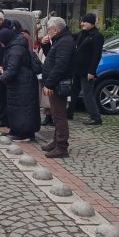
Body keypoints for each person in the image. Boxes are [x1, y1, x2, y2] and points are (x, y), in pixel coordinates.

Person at [0, 28, 40, 141]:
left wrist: (0, 80)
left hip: (22, 84)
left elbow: (13, 69)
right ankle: (17, 130)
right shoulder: (15, 46)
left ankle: (24, 133)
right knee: (18, 108)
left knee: (22, 109)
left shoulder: (15, 49)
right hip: (20, 82)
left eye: (0, 40)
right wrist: (4, 69)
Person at [40, 16, 75, 158]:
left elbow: (60, 65)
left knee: (59, 115)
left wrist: (49, 83)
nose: (47, 32)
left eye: (48, 30)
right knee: (55, 113)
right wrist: (45, 45)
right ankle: (56, 142)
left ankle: (61, 146)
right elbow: (51, 57)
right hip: (55, 81)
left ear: (54, 30)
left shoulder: (65, 42)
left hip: (58, 83)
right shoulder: (60, 40)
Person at [67, 13, 104, 125]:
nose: (82, 23)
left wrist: (91, 71)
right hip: (77, 69)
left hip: (87, 70)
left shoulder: (97, 36)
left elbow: (96, 55)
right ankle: (69, 113)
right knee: (73, 92)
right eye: (82, 21)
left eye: (85, 21)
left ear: (91, 23)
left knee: (87, 94)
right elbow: (71, 37)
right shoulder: (82, 33)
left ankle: (95, 117)